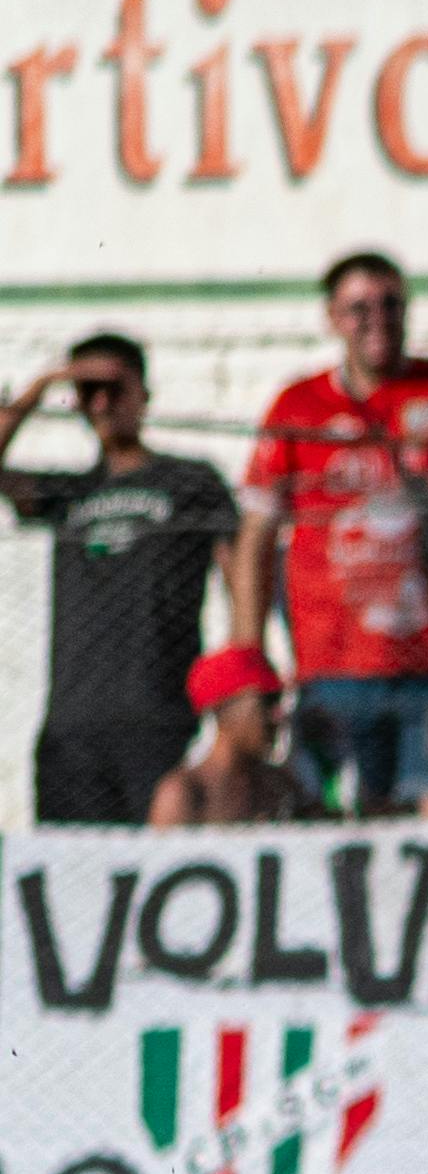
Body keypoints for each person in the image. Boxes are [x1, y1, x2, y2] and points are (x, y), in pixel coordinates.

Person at [234, 252, 428, 816]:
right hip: (332, 676)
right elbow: (254, 539)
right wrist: (248, 660)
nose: (377, 319)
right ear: (331, 317)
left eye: (390, 304)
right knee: (345, 854)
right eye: (358, 308)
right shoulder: (298, 405)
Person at [0, 331, 240, 823]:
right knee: (73, 872)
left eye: (115, 388)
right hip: (72, 722)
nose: (104, 403)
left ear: (143, 395)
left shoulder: (190, 480)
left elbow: (239, 574)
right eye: (89, 392)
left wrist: (237, 682)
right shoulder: (68, 491)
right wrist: (42, 385)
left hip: (158, 713)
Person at [148, 647, 312, 826]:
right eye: (267, 701)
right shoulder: (184, 793)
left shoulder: (279, 787)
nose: (278, 716)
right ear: (224, 706)